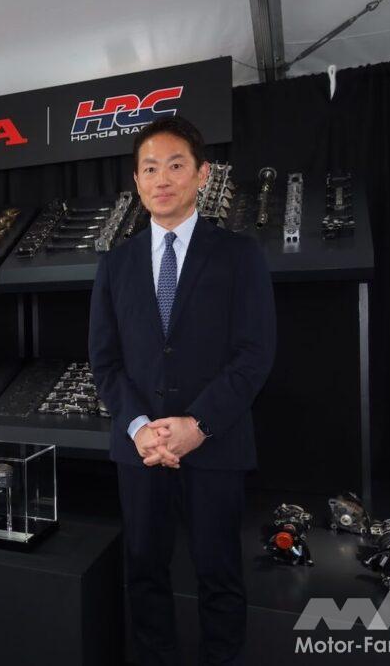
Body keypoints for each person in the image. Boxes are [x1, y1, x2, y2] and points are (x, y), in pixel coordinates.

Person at [88, 116, 276, 665]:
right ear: (136, 180)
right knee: (145, 572)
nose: (162, 179)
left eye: (175, 165)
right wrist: (138, 427)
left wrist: (199, 424)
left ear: (202, 174)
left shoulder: (239, 254)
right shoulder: (115, 265)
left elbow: (254, 354)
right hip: (141, 449)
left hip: (215, 444)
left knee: (219, 572)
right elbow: (105, 362)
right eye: (150, 169)